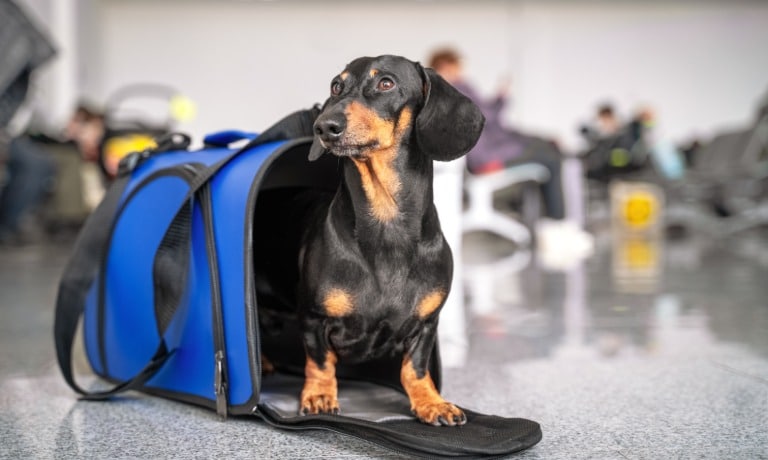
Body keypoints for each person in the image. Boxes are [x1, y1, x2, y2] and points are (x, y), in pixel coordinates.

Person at [428, 48, 567, 221]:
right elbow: (487, 117)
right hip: (486, 157)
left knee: (546, 149)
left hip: (483, 154)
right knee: (551, 158)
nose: (461, 71)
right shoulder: (457, 87)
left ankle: (548, 221)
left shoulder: (438, 92)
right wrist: (502, 97)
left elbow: (486, 117)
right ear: (446, 66)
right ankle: (557, 224)